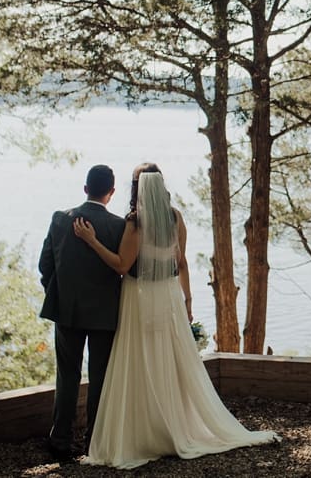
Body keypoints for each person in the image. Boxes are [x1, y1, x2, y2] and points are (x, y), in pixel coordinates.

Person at [73, 162, 279, 469]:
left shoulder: (135, 223)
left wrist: (92, 241)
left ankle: (146, 430)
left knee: (140, 359)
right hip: (168, 295)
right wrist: (188, 300)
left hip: (139, 298)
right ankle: (172, 425)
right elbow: (181, 262)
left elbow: (120, 265)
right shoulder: (175, 217)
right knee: (167, 359)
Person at [38, 164, 126, 461]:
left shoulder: (61, 219)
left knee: (67, 375)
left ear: (85, 188)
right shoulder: (119, 226)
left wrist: (59, 292)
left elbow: (45, 265)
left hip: (68, 310)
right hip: (105, 314)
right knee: (100, 377)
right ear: (111, 193)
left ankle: (60, 440)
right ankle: (93, 443)